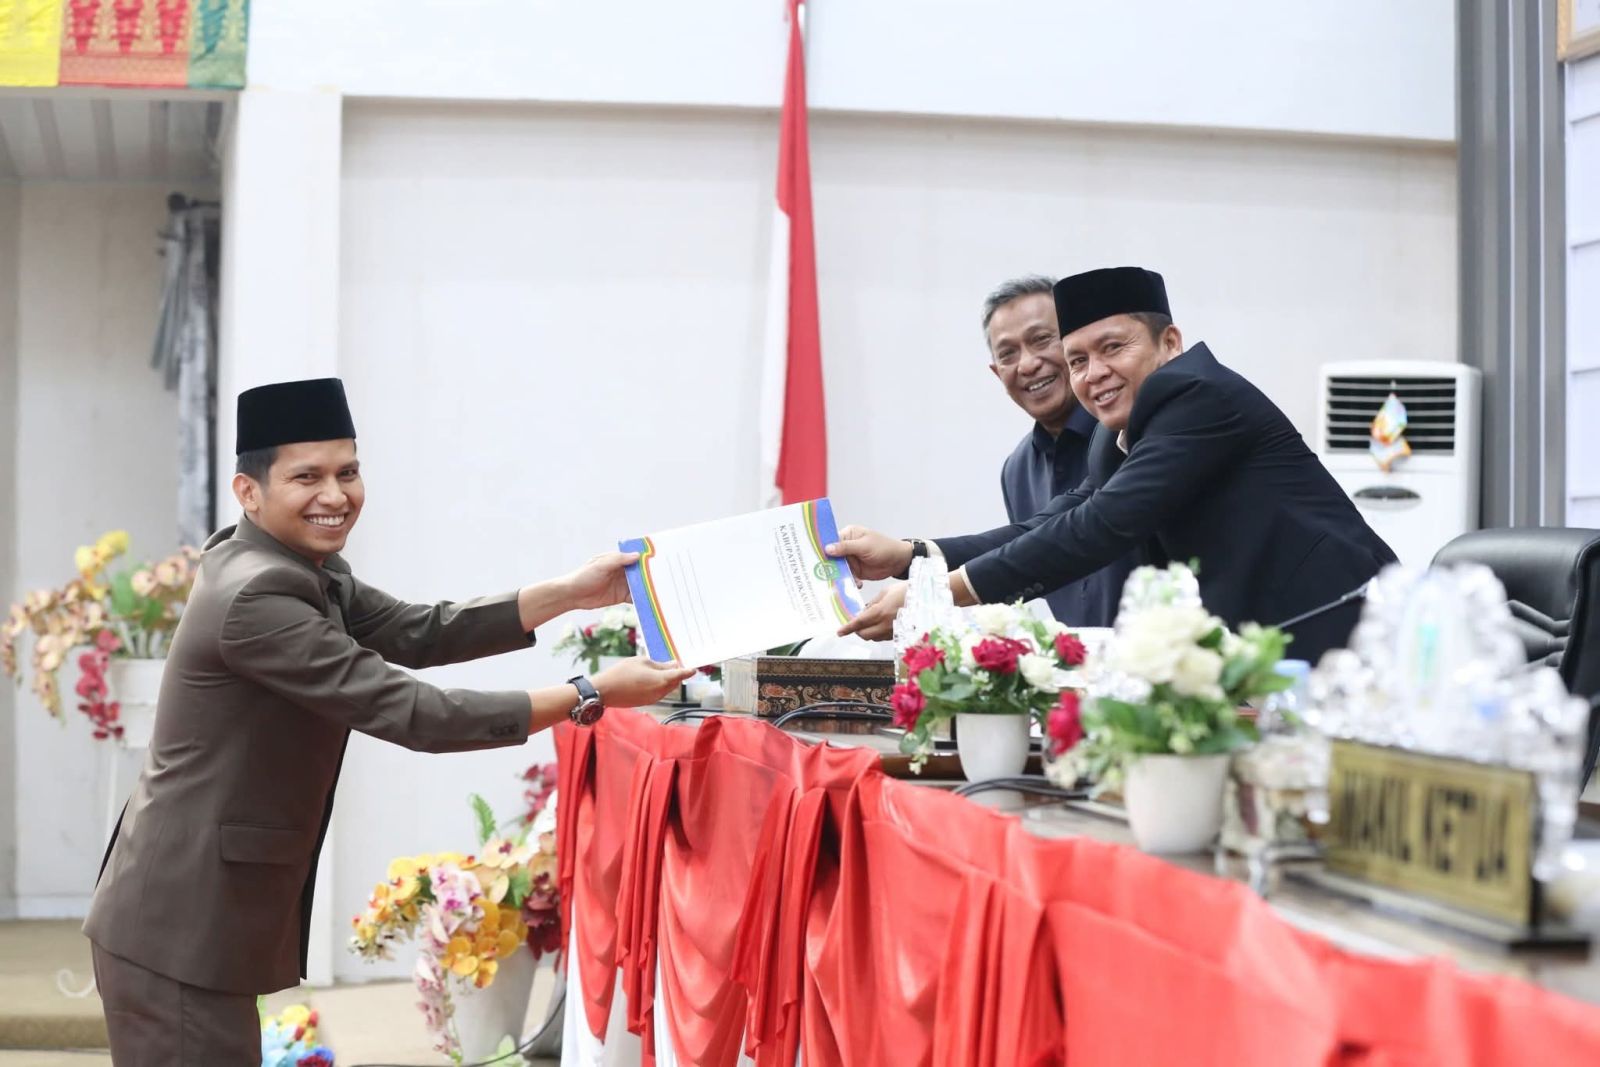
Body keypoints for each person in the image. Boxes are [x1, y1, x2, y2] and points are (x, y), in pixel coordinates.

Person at [82, 378, 692, 1065]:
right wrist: (589, 692)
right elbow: (415, 714)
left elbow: (417, 630)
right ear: (247, 491)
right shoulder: (258, 594)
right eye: (307, 477)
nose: (335, 495)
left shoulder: (286, 562)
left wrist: (570, 592)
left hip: (195, 915)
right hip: (178, 924)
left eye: (348, 472)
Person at [830, 266, 1396, 663]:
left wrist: (942, 594)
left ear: (1169, 343)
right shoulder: (1115, 433)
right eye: (1077, 359)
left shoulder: (1200, 393)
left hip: (1346, 625)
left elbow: (1102, 525)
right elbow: (1050, 523)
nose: (1093, 373)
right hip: (1263, 650)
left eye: (1113, 348)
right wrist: (912, 557)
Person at [983, 274, 1131, 627]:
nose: (1028, 364)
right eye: (1008, 354)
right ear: (997, 373)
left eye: (1041, 340)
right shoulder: (1017, 470)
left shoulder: (1128, 431)